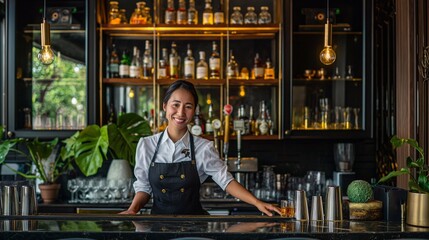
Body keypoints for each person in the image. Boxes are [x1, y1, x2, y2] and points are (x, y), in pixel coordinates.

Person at [120, 80, 280, 216]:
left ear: (195, 111)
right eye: (175, 105)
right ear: (165, 106)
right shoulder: (147, 145)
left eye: (188, 106)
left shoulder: (203, 147)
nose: (181, 112)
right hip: (156, 226)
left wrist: (257, 203)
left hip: (195, 226)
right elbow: (144, 187)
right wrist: (132, 210)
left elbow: (226, 181)